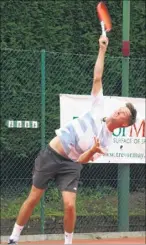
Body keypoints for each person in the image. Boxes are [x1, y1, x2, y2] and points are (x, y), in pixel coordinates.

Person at [8, 35, 137, 245]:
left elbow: (83, 161)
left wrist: (94, 149)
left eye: (123, 112)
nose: (118, 110)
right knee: (33, 198)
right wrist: (102, 50)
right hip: (51, 154)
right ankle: (14, 237)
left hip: (71, 165)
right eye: (120, 107)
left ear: (124, 123)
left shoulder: (107, 142)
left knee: (69, 205)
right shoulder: (98, 107)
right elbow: (97, 78)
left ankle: (68, 243)